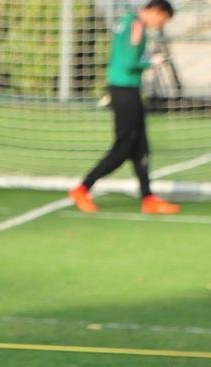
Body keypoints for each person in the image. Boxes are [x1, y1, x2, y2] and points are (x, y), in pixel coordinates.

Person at [69, 0, 180, 215]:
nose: (160, 24)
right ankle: (82, 188)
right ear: (156, 11)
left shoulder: (128, 21)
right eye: (162, 19)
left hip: (126, 88)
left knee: (141, 146)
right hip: (124, 90)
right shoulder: (136, 25)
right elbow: (130, 62)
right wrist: (152, 62)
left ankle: (148, 198)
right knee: (123, 147)